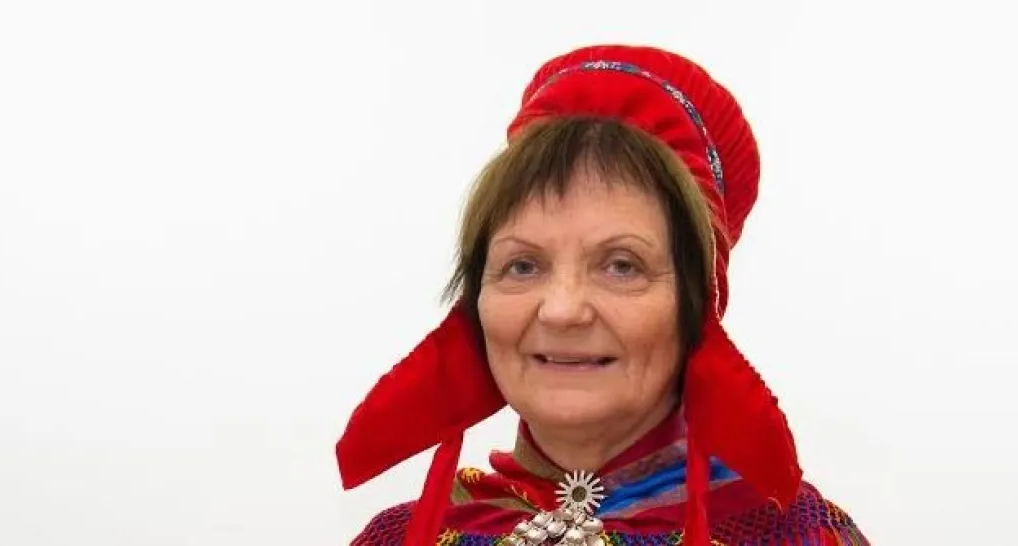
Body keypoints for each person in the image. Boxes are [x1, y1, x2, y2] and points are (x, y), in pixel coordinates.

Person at [336, 44, 869, 545]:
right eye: (523, 265)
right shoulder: (399, 537)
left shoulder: (796, 535)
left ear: (697, 308)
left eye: (621, 266)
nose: (562, 309)